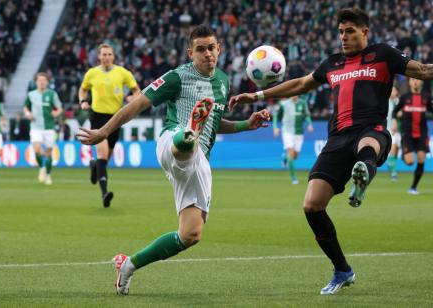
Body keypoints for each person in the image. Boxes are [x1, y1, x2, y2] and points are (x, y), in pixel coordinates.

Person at [229, 7, 433, 295]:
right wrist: (255, 96)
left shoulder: (383, 54)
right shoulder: (332, 63)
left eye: (350, 31)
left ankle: (363, 175)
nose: (344, 37)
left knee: (367, 147)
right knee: (311, 205)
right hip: (336, 140)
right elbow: (299, 85)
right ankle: (342, 270)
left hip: (372, 130)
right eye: (341, 32)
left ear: (364, 32)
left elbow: (421, 71)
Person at [76, 25, 271, 296]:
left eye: (211, 48)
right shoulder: (177, 77)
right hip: (171, 141)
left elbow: (214, 123)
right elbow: (138, 104)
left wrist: (244, 125)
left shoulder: (223, 81)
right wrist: (105, 132)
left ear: (219, 49)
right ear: (190, 52)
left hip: (198, 160)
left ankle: (128, 265)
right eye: (200, 49)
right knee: (186, 142)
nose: (207, 54)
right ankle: (189, 132)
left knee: (191, 234)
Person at [78, 43, 141, 208]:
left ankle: (94, 166)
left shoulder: (123, 73)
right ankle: (104, 193)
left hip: (116, 118)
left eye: (109, 54)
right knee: (103, 155)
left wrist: (131, 99)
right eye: (103, 54)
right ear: (99, 56)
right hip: (97, 117)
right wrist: (83, 101)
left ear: (113, 56)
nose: (106, 57)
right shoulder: (91, 73)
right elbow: (82, 90)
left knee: (105, 159)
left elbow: (137, 92)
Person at [392, 77, 433, 194]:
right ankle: (404, 154)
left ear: (421, 81)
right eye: (413, 79)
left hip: (422, 134)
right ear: (409, 82)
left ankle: (413, 187)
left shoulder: (426, 97)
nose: (415, 81)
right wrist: (394, 121)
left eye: (417, 79)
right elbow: (394, 111)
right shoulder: (404, 98)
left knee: (421, 158)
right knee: (409, 162)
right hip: (407, 134)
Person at [23, 73, 63, 185]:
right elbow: (25, 107)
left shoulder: (52, 94)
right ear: (36, 82)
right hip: (36, 127)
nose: (42, 82)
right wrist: (27, 113)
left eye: (44, 80)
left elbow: (59, 108)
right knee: (37, 149)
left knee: (49, 153)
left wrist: (56, 113)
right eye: (39, 80)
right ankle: (41, 168)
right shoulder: (31, 95)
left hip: (49, 127)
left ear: (47, 82)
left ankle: (48, 175)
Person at [272, 95, 313, 184]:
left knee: (295, 156)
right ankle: (294, 178)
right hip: (287, 131)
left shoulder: (303, 102)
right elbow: (276, 116)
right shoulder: (283, 103)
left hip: (299, 132)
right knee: (291, 153)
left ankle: (284, 157)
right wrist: (275, 127)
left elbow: (307, 115)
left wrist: (309, 124)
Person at [386, 86, 401, 181]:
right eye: (392, 90)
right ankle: (394, 174)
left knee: (396, 153)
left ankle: (390, 164)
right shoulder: (385, 102)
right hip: (389, 130)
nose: (394, 92)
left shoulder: (398, 102)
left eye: (395, 90)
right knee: (393, 149)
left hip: (399, 131)